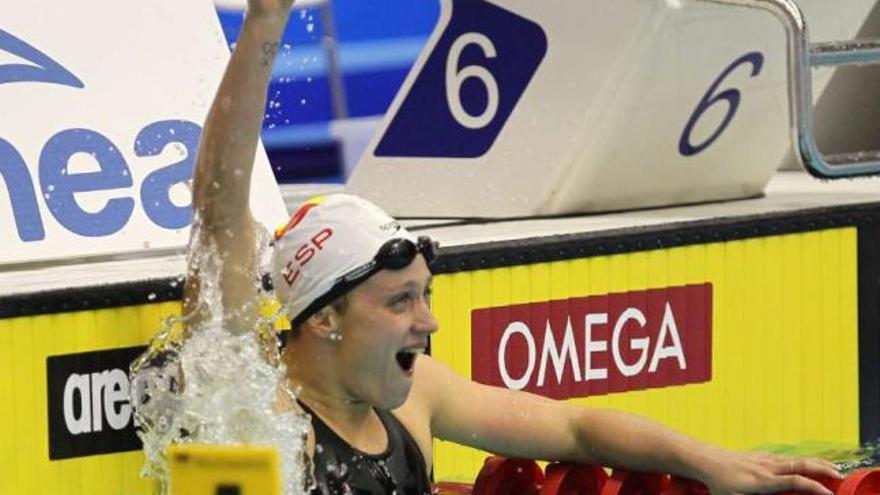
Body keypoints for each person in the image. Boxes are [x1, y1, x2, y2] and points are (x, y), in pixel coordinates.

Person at [185, 0, 843, 493]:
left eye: (425, 295)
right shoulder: (256, 402)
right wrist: (265, 22)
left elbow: (576, 428)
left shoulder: (417, 397)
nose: (428, 320)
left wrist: (715, 460)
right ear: (324, 317)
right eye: (399, 301)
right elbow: (218, 212)